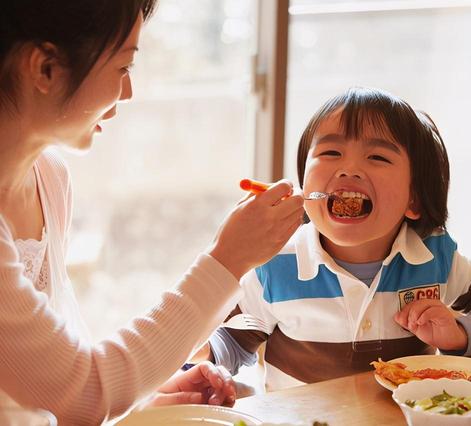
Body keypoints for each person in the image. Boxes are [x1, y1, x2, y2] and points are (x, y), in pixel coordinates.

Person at [0, 1, 304, 424]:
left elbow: (53, 382)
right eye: (123, 67)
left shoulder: (49, 179)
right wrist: (227, 260)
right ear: (45, 68)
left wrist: (141, 398)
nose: (128, 92)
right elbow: (82, 393)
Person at [193, 87, 471, 391]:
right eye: (330, 154)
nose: (349, 169)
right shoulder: (276, 265)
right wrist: (206, 369)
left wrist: (461, 333)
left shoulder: (434, 258)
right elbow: (229, 345)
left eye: (377, 157)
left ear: (414, 200)